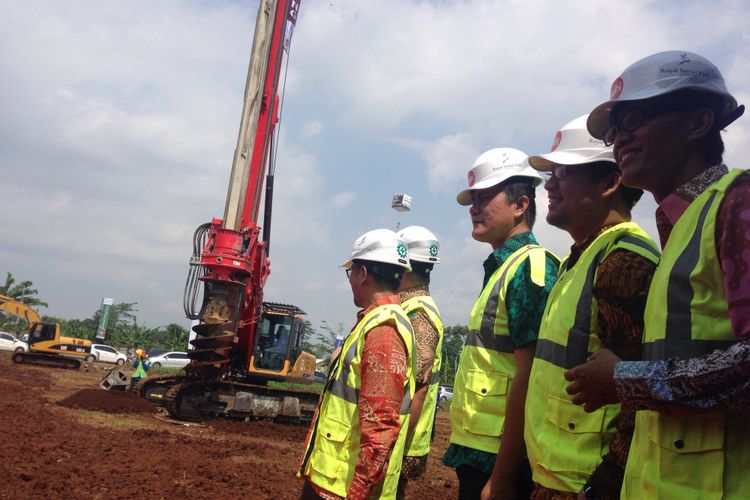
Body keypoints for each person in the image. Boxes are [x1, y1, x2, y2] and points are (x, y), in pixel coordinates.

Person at [565, 50, 749, 498]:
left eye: (636, 119)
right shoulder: (680, 227)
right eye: (614, 130)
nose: (619, 140)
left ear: (698, 123)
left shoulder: (738, 203)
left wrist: (626, 379)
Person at [523, 115, 659, 500]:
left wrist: (601, 487)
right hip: (554, 477)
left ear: (610, 182)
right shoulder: (580, 260)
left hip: (582, 485)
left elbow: (640, 400)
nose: (549, 184)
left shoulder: (623, 262)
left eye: (563, 171)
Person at [441, 148, 560, 500]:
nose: (474, 208)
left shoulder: (530, 269)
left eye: (484, 198)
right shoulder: (502, 269)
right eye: (472, 200)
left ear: (520, 205)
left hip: (501, 458)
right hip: (480, 449)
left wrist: (504, 476)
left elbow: (532, 374)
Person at [299, 228, 416, 500]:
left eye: (351, 272)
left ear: (362, 273)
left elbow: (380, 429)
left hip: (342, 488)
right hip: (331, 480)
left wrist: (358, 493)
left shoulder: (383, 330)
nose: (350, 279)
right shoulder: (372, 322)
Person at [394, 225, 444, 499]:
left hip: (402, 439)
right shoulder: (408, 306)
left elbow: (419, 388)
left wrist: (392, 443)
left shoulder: (419, 314)